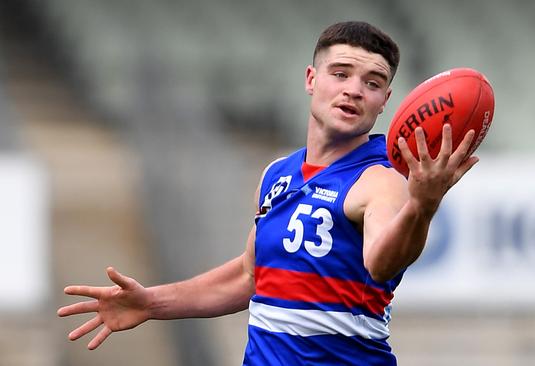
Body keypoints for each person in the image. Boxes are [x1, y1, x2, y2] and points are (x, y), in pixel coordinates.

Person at [58, 21, 479, 365]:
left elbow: (381, 263)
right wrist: (152, 303)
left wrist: (422, 206)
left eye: (372, 82)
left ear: (385, 101)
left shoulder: (379, 178)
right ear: (311, 80)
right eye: (341, 73)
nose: (354, 89)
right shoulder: (278, 172)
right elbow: (249, 276)